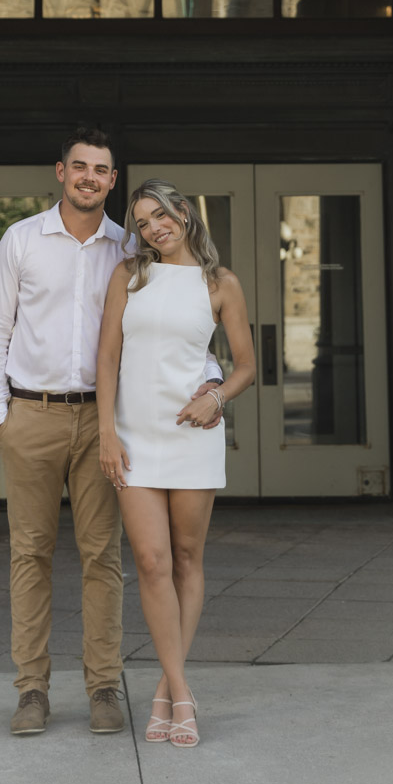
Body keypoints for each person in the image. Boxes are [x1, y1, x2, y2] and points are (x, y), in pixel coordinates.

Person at [0, 130, 225, 736]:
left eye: (102, 170)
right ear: (60, 171)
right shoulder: (21, 239)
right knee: (29, 553)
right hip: (31, 415)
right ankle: (32, 689)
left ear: (113, 181)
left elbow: (182, 324)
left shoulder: (133, 249)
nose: (90, 177)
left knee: (103, 558)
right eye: (80, 167)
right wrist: (0, 417)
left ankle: (104, 686)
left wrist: (212, 383)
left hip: (106, 421)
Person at [96, 178, 256, 749]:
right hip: (134, 438)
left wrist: (216, 397)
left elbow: (244, 366)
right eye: (141, 223)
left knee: (188, 558)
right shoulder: (129, 275)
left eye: (159, 216)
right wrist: (106, 433)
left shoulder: (220, 284)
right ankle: (183, 692)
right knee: (149, 559)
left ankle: (168, 687)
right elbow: (108, 356)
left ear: (183, 214)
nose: (152, 229)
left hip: (193, 437)